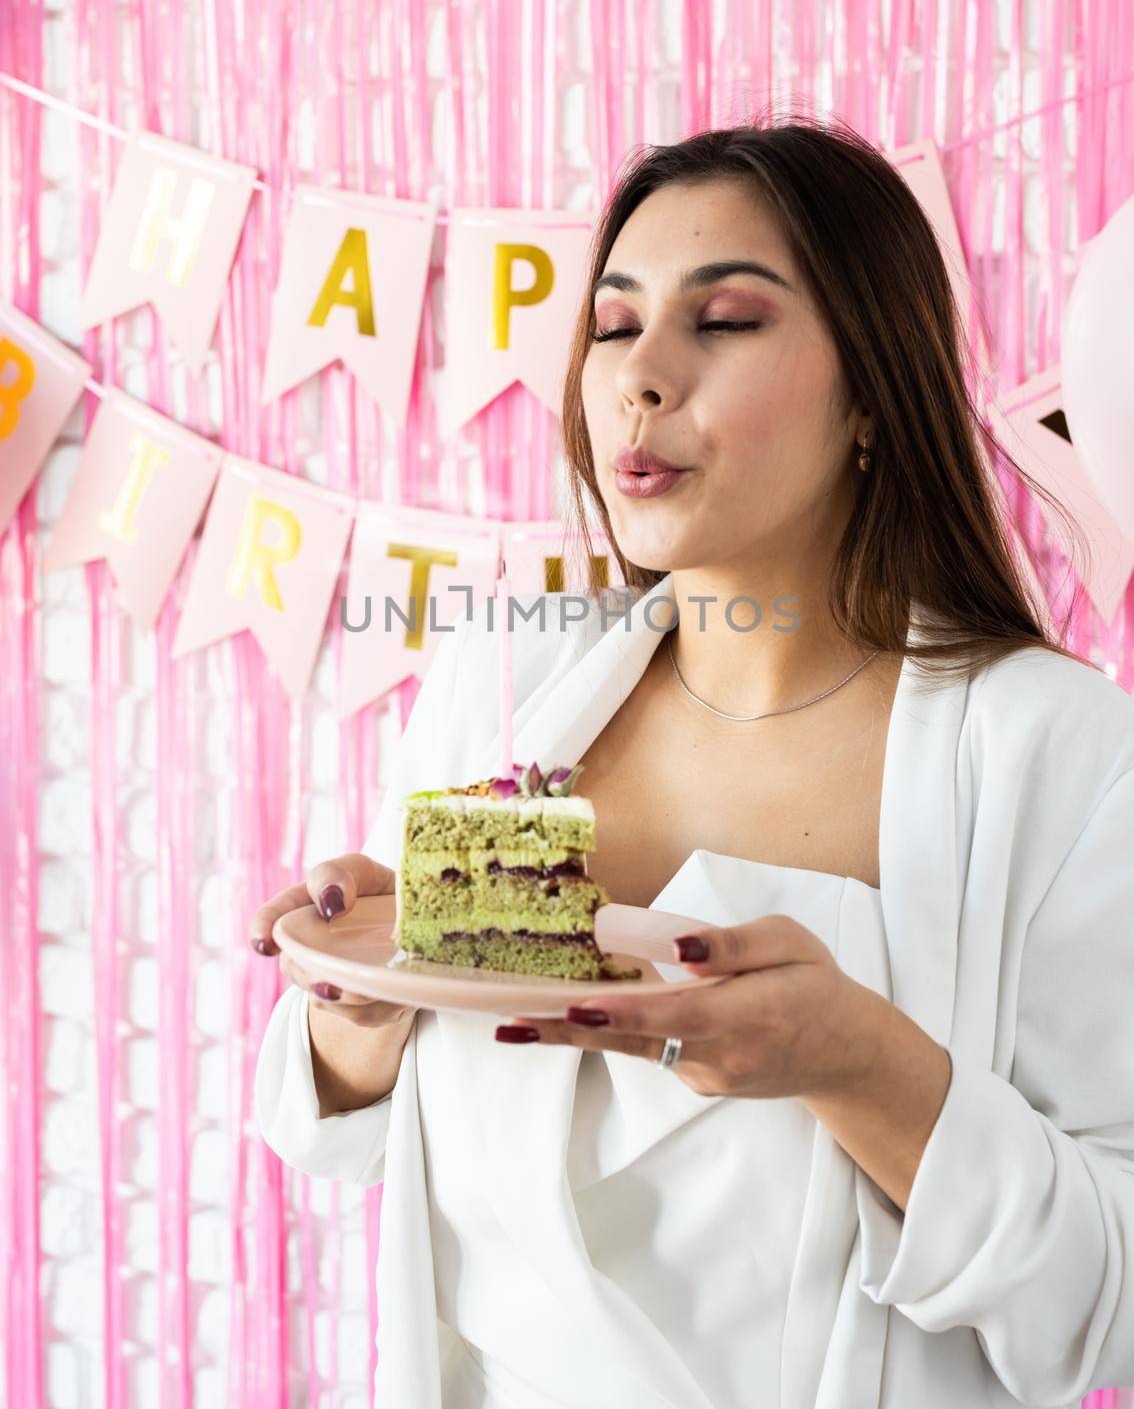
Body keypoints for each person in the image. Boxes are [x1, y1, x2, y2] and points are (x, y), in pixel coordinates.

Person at [250, 115, 1134, 1408]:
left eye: (722, 320)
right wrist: (357, 1012)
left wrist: (855, 1058)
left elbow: (1106, 1309)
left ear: (874, 396)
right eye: (612, 324)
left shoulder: (1057, 757)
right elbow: (336, 1142)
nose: (638, 376)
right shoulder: (507, 688)